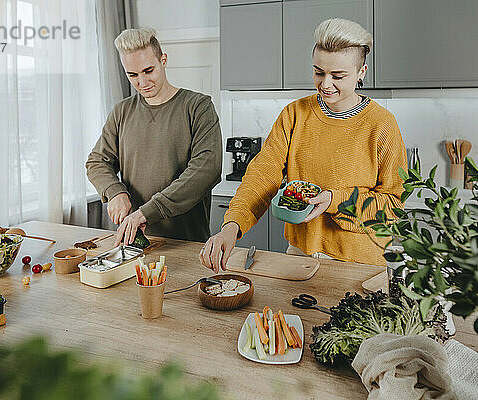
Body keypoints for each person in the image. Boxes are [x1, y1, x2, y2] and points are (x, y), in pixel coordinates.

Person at [200, 18, 406, 272]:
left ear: (361, 73)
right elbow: (262, 176)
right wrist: (231, 226)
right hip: (298, 256)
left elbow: (394, 204)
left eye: (338, 76)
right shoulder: (295, 114)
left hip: (359, 263)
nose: (326, 84)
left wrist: (334, 200)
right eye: (319, 72)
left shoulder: (382, 124)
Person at [86, 28, 222, 245]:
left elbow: (206, 170)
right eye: (133, 75)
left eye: (148, 70)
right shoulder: (121, 111)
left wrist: (147, 212)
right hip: (134, 242)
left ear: (163, 60)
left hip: (187, 242)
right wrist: (115, 191)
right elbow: (97, 162)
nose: (142, 82)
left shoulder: (198, 106)